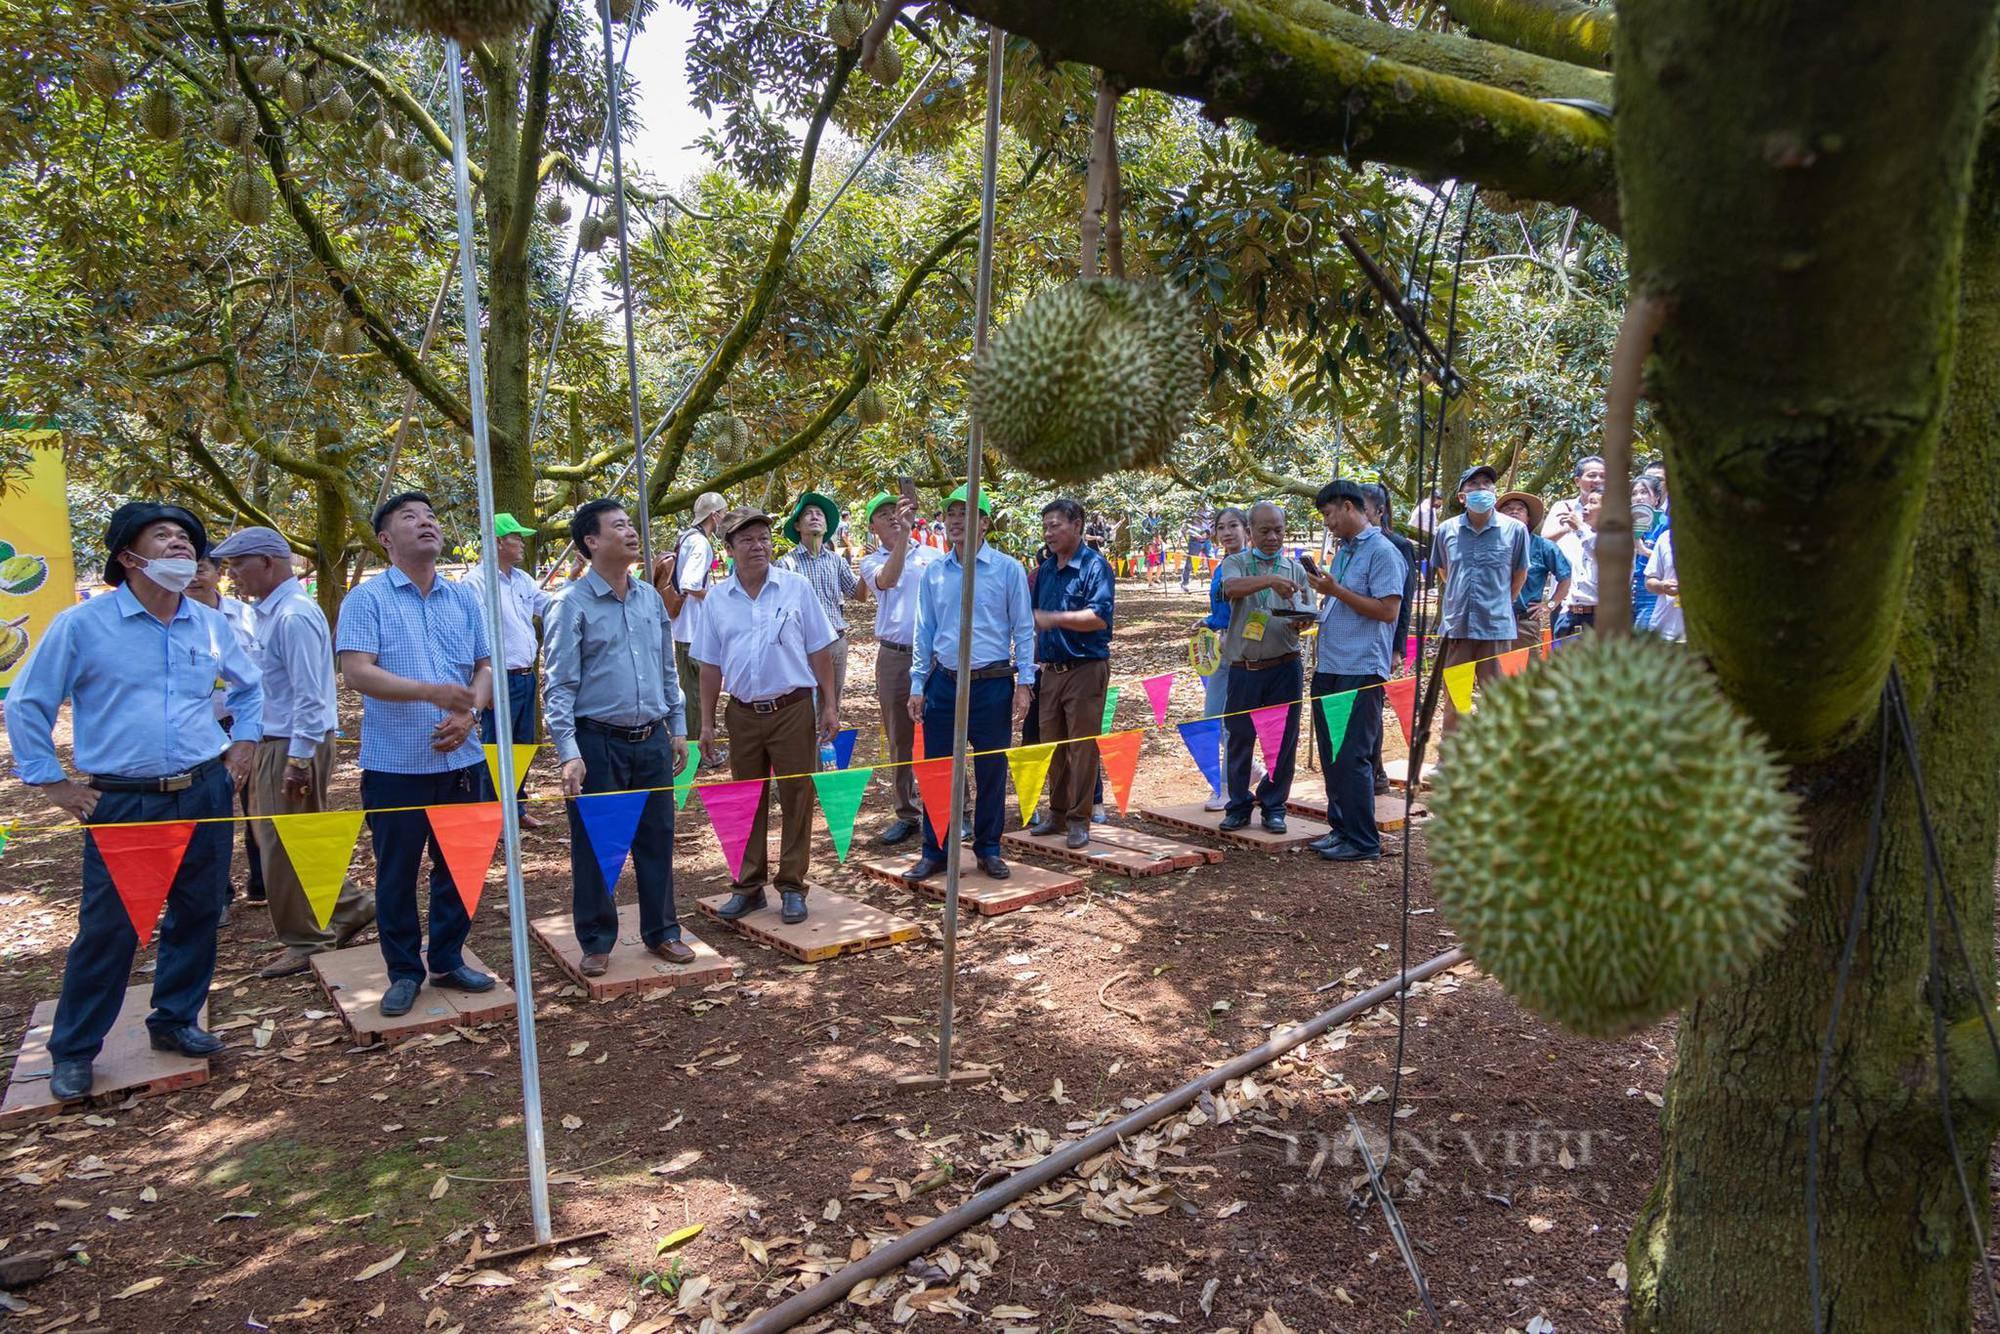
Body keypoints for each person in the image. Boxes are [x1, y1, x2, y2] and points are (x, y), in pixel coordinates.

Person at [5, 503, 261, 1101]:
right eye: (163, 536)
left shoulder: (211, 625)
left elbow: (251, 690)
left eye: (187, 538)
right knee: (110, 927)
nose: (180, 546)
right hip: (122, 801)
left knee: (198, 913)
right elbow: (27, 703)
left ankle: (175, 1020)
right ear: (129, 555)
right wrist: (54, 784)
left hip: (203, 788)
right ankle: (73, 1050)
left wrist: (242, 745)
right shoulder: (82, 625)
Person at [336, 492, 498, 1018]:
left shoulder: (462, 599)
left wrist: (470, 711)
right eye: (411, 517)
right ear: (385, 539)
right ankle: (404, 971)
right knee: (397, 873)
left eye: (431, 516)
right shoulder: (367, 599)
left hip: (462, 759)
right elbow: (358, 671)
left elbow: (485, 668)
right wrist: (432, 693)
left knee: (459, 868)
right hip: (396, 765)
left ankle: (448, 958)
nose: (426, 523)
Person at [211, 527, 374, 978]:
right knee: (290, 839)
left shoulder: (292, 616)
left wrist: (299, 760)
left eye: (237, 566)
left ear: (267, 562)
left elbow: (310, 696)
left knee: (282, 847)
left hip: (291, 744)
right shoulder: (270, 613)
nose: (232, 578)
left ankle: (308, 937)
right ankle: (347, 907)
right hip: (278, 740)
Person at [543, 500, 695, 975]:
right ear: (591, 541)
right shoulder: (570, 604)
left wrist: (678, 728)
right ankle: (595, 938)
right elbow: (559, 685)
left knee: (657, 837)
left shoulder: (650, 599)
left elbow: (667, 670)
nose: (632, 533)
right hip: (596, 742)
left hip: (651, 737)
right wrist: (568, 752)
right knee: (596, 842)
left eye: (632, 524)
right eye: (620, 526)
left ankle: (663, 931)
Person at [693, 508, 839, 926]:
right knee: (745, 799)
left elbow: (819, 650)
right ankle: (748, 886)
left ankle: (792, 885)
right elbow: (708, 665)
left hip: (792, 707)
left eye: (763, 539)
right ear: (729, 549)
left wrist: (829, 704)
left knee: (796, 797)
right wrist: (706, 723)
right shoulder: (718, 599)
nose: (758, 547)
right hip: (742, 713)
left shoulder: (795, 588)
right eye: (747, 540)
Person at [905, 485, 1035, 881]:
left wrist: (1025, 682)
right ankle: (936, 849)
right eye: (952, 512)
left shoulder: (1007, 569)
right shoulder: (935, 574)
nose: (957, 520)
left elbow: (1024, 629)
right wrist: (917, 683)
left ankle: (989, 848)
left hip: (992, 684)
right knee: (938, 768)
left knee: (992, 767)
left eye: (967, 513)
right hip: (943, 683)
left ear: (985, 523)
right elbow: (923, 630)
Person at [1303, 481, 1405, 862]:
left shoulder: (1383, 552)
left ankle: (1363, 840)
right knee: (1332, 754)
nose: (1327, 523)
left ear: (1348, 507)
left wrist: (1335, 592)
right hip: (1331, 664)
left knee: (1353, 756)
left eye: (1328, 515)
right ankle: (1340, 828)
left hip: (1360, 667)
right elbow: (1339, 601)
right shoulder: (1344, 552)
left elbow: (1387, 611)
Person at [1217, 501, 1313, 832]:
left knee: (1282, 740)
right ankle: (1239, 804)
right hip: (1244, 668)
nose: (1273, 537)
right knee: (1240, 737)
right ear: (1250, 531)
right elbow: (1231, 589)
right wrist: (1270, 580)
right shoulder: (1236, 563)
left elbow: (1307, 611)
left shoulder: (1296, 569)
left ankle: (1274, 805)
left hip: (1284, 666)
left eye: (1279, 530)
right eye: (1265, 531)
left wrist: (1301, 621)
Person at [1028, 499, 1115, 849]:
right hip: (1049, 671)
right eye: (1045, 526)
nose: (1049, 533)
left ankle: (1080, 819)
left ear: (1077, 525)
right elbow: (1030, 616)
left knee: (1081, 747)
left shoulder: (1096, 567)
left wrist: (1055, 618)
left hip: (1085, 668)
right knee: (1053, 745)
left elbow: (1099, 616)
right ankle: (1058, 812)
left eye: (1056, 525)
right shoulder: (1046, 570)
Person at [858, 490, 940, 847]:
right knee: (899, 738)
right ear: (872, 525)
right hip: (894, 657)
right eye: (884, 513)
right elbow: (888, 580)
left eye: (897, 510)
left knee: (943, 734)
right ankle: (907, 813)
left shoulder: (935, 557)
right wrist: (905, 537)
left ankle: (955, 809)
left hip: (937, 657)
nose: (892, 517)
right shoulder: (870, 562)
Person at [460, 512, 551, 826]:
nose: (521, 543)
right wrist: (482, 684)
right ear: (498, 542)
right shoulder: (475, 583)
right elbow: (472, 635)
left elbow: (549, 606)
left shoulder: (522, 579)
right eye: (515, 537)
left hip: (526, 676)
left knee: (522, 745)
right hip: (498, 680)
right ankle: (492, 816)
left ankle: (516, 808)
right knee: (497, 748)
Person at [186, 554, 265, 909]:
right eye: (186, 570)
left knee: (258, 805)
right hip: (199, 727)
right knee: (210, 810)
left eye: (201, 569)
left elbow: (258, 673)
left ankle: (262, 883)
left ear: (219, 573)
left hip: (245, 723)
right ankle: (217, 896)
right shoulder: (171, 619)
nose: (193, 577)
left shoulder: (246, 616)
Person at [1433, 465, 1529, 734]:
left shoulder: (1515, 530)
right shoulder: (1446, 530)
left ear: (1494, 493)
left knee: (1495, 698)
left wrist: (1499, 603)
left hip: (1496, 627)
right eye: (1473, 485)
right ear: (1462, 497)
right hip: (1457, 626)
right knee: (1456, 697)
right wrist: (1461, 597)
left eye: (1486, 483)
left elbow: (1520, 574)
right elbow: (1444, 572)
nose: (1481, 489)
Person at [656, 492, 726, 768]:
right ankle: (699, 752)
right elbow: (690, 583)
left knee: (691, 688)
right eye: (722, 513)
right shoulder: (700, 543)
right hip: (694, 627)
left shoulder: (686, 537)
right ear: (714, 516)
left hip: (682, 626)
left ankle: (693, 747)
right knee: (698, 693)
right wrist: (718, 597)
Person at [776, 491, 860, 707]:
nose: (815, 517)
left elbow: (859, 594)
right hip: (803, 645)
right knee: (805, 707)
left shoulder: (836, 561)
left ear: (826, 525)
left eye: (819, 514)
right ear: (797, 526)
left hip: (836, 641)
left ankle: (827, 742)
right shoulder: (786, 565)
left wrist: (869, 568)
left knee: (832, 706)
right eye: (808, 514)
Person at [1364, 484, 1418, 795]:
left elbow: (1405, 600)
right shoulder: (1349, 544)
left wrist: (1398, 646)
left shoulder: (1397, 545)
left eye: (1362, 509)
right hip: (1354, 642)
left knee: (1372, 706)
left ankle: (1377, 772)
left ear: (1379, 512)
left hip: (1383, 638)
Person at [1198, 506, 1250, 810]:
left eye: (1233, 526)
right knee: (1212, 718)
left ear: (1246, 529)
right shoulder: (1221, 567)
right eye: (1221, 527)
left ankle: (1228, 787)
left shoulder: (1251, 564)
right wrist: (1207, 622)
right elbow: (1221, 610)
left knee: (1233, 722)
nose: (1227, 532)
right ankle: (1251, 771)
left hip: (1244, 651)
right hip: (1219, 651)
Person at [1499, 491, 1571, 653]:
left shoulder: (1544, 546)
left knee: (1525, 672)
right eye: (1508, 508)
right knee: (1488, 672)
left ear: (1528, 518)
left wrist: (1550, 604)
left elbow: (1566, 577)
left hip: (1524, 622)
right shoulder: (1488, 543)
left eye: (1520, 509)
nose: (1514, 511)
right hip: (1489, 620)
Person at [1552, 489, 1601, 638]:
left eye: (1593, 502)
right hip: (1569, 616)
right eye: (1586, 502)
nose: (1585, 507)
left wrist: (1580, 527)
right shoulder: (1578, 538)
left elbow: (1602, 556)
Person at [1540, 456, 1606, 540]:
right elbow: (1544, 541)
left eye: (1603, 476)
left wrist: (1579, 526)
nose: (1598, 480)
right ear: (1577, 481)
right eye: (1592, 475)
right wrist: (1568, 528)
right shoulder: (1562, 507)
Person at [1645, 527, 1686, 642]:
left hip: (1704, 634)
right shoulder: (1666, 538)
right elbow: (1649, 581)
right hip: (1666, 632)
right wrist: (1662, 586)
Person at [1180, 505, 1213, 592]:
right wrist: (1182, 537)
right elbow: (1185, 526)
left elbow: (1212, 525)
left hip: (1207, 540)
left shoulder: (1210, 511)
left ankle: (1216, 582)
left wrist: (1210, 534)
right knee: (1190, 562)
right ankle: (1185, 583)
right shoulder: (1192, 511)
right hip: (1195, 540)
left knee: (1212, 560)